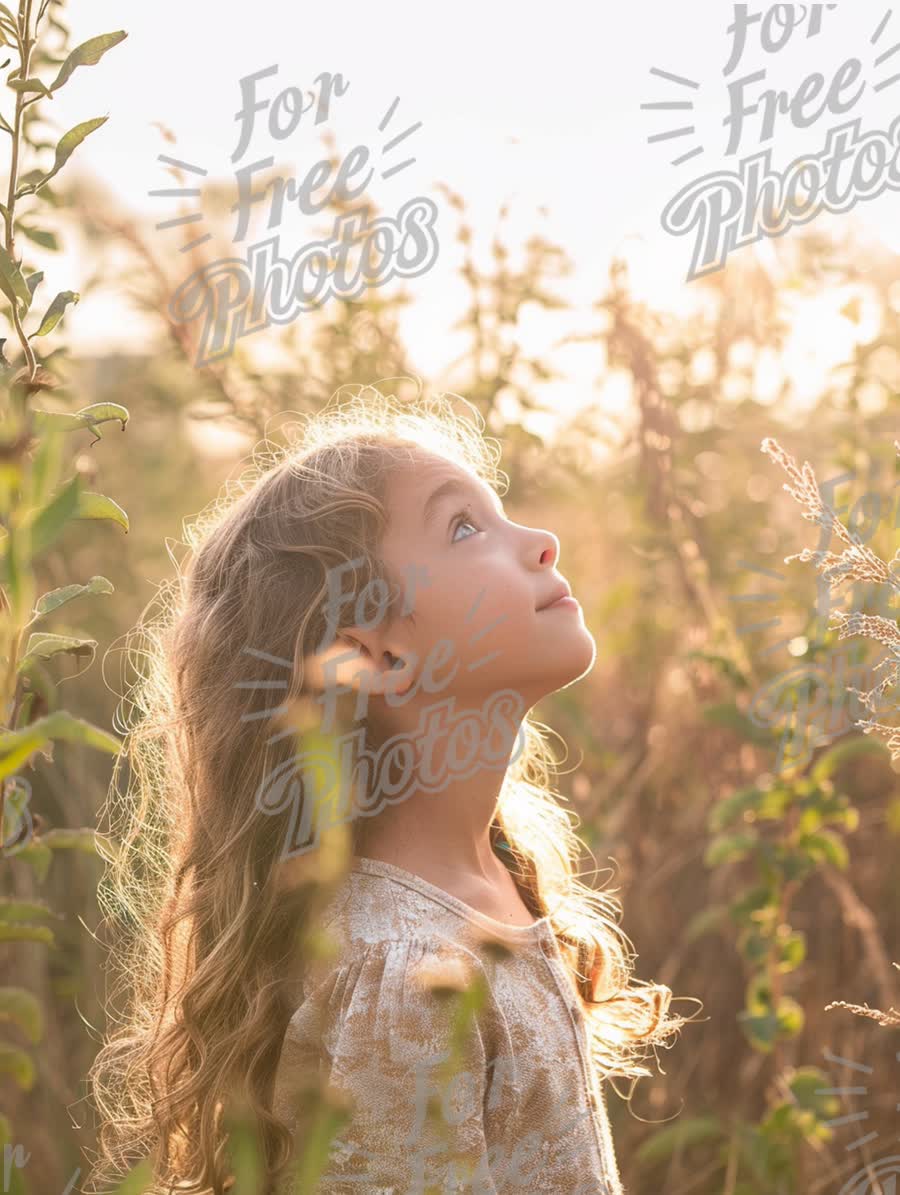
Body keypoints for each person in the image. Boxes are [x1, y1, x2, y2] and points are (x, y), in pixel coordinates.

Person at [87, 384, 691, 1195]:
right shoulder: (404, 982)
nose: (543, 541)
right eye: (465, 527)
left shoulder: (491, 883)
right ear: (375, 653)